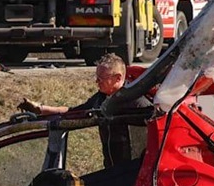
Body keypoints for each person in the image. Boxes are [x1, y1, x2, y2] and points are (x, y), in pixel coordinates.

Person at [18, 53, 153, 167]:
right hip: (111, 168)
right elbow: (74, 112)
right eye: (96, 77)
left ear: (118, 78)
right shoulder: (100, 98)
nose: (97, 82)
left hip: (133, 171)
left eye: (101, 79)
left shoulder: (137, 102)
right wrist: (40, 109)